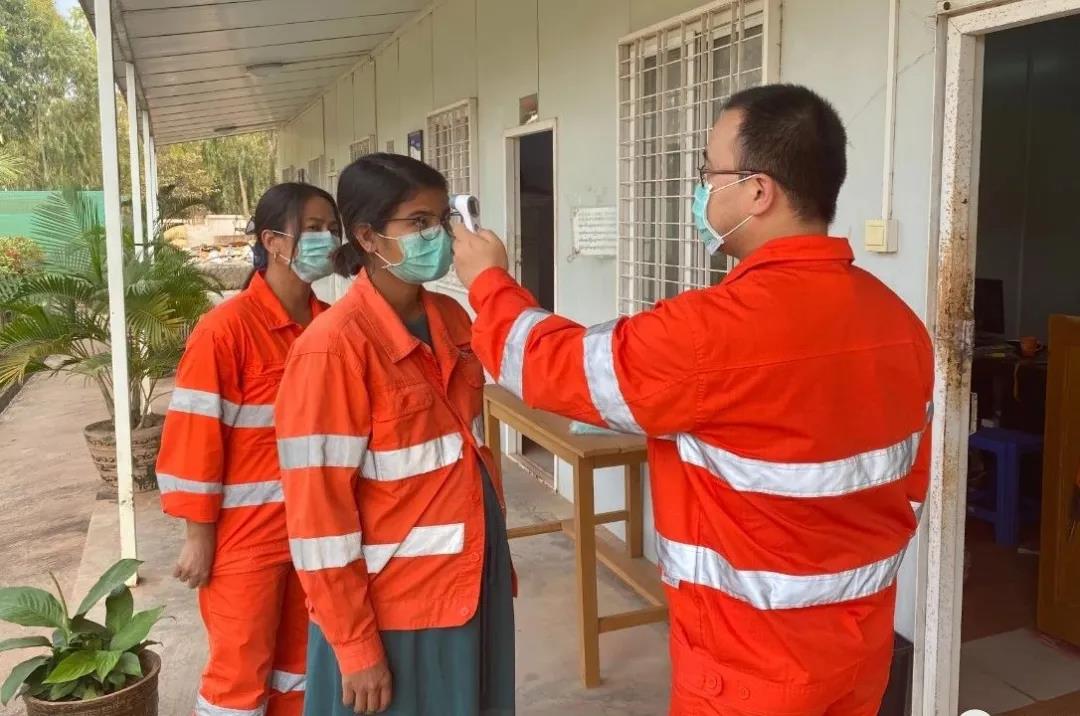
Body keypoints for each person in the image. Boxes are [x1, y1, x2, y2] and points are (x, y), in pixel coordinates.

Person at [452, 84, 933, 716]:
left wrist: (488, 282)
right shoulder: (900, 324)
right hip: (860, 654)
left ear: (758, 192)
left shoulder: (714, 332)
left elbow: (549, 365)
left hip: (748, 672)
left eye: (710, 172)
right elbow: (905, 487)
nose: (702, 188)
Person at [273, 153, 515, 716]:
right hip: (396, 607)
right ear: (367, 236)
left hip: (470, 579)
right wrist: (354, 644)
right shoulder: (332, 349)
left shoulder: (452, 319)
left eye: (442, 219)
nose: (439, 235)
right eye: (419, 222)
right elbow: (318, 518)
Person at [156, 182, 341, 716]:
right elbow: (194, 440)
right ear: (272, 241)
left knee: (303, 665)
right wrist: (198, 538)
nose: (328, 239)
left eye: (333, 229)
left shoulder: (331, 325)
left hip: (316, 530)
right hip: (246, 538)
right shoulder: (225, 331)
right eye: (314, 228)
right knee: (239, 675)